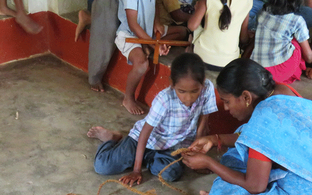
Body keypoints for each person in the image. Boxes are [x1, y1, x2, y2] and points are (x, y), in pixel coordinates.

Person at [182, 59, 312, 195]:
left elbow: (255, 187)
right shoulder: (280, 90)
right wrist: (216, 139)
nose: (225, 107)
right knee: (243, 139)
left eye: (227, 101)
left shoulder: (263, 121)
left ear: (246, 97)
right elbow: (259, 138)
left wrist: (209, 163)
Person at [88, 53, 218, 185]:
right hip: (143, 139)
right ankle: (113, 139)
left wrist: (199, 154)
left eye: (194, 91)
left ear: (203, 83)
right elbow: (145, 132)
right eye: (182, 91)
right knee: (102, 166)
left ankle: (143, 156)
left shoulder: (207, 89)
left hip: (171, 145)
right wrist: (137, 170)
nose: (188, 98)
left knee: (171, 174)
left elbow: (203, 119)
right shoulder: (164, 99)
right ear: (172, 84)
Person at [115, 0, 188, 114]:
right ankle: (128, 98)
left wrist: (157, 22)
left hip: (148, 33)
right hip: (130, 35)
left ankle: (151, 46)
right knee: (142, 64)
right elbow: (133, 25)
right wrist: (154, 44)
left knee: (182, 32)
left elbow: (156, 5)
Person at [249, 0, 312, 85]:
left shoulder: (262, 12)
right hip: (278, 73)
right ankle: (290, 73)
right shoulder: (297, 20)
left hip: (257, 69)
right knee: (296, 43)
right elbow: (309, 58)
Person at [188, 0, 253, 70]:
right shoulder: (247, 2)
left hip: (202, 57)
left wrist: (197, 9)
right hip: (229, 62)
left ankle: (190, 50)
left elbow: (192, 26)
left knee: (194, 35)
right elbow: (243, 38)